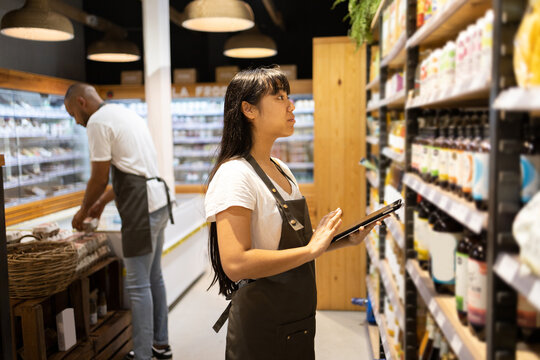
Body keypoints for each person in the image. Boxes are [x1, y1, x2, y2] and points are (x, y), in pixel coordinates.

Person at [204, 66, 382, 360]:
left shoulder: (282, 170)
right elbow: (236, 263)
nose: (291, 105)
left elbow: (288, 247)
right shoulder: (235, 175)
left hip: (296, 319)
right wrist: (312, 249)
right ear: (249, 110)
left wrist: (338, 240)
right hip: (261, 325)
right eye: (279, 97)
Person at [64, 83, 174, 360]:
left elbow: (100, 178)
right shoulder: (123, 113)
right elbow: (132, 169)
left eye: (72, 113)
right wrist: (101, 204)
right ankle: (160, 344)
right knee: (154, 278)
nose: (75, 121)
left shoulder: (97, 122)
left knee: (137, 286)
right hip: (159, 201)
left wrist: (82, 211)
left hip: (141, 210)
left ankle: (143, 356)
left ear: (81, 102)